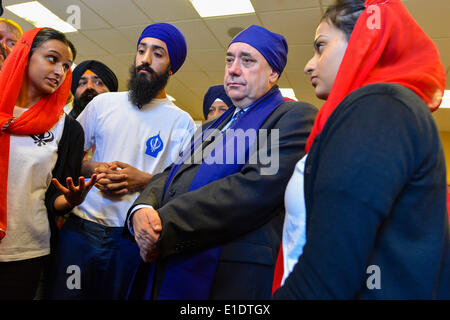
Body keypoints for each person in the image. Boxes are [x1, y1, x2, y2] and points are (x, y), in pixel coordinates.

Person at [125, 25, 318, 300]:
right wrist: (143, 208)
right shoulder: (212, 127)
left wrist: (161, 223)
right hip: (170, 260)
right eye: (229, 60)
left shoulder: (292, 116)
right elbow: (171, 175)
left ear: (273, 73)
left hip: (227, 275)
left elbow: (253, 190)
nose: (233, 69)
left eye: (247, 60)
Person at [273, 0, 450, 299]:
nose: (308, 65)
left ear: (362, 42)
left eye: (320, 47)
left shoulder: (380, 106)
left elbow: (328, 276)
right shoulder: (373, 110)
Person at [50, 23, 195, 300]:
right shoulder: (103, 105)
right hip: (81, 231)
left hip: (130, 240)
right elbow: (70, 159)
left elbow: (181, 187)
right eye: (141, 50)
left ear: (172, 66)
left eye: (157, 53)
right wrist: (93, 168)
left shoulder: (182, 123)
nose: (145, 59)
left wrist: (141, 180)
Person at [0, 28, 98, 300]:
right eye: (52, 59)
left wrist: (70, 200)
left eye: (66, 66)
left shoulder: (67, 129)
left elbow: (53, 195)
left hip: (25, 250)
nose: (60, 71)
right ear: (24, 56)